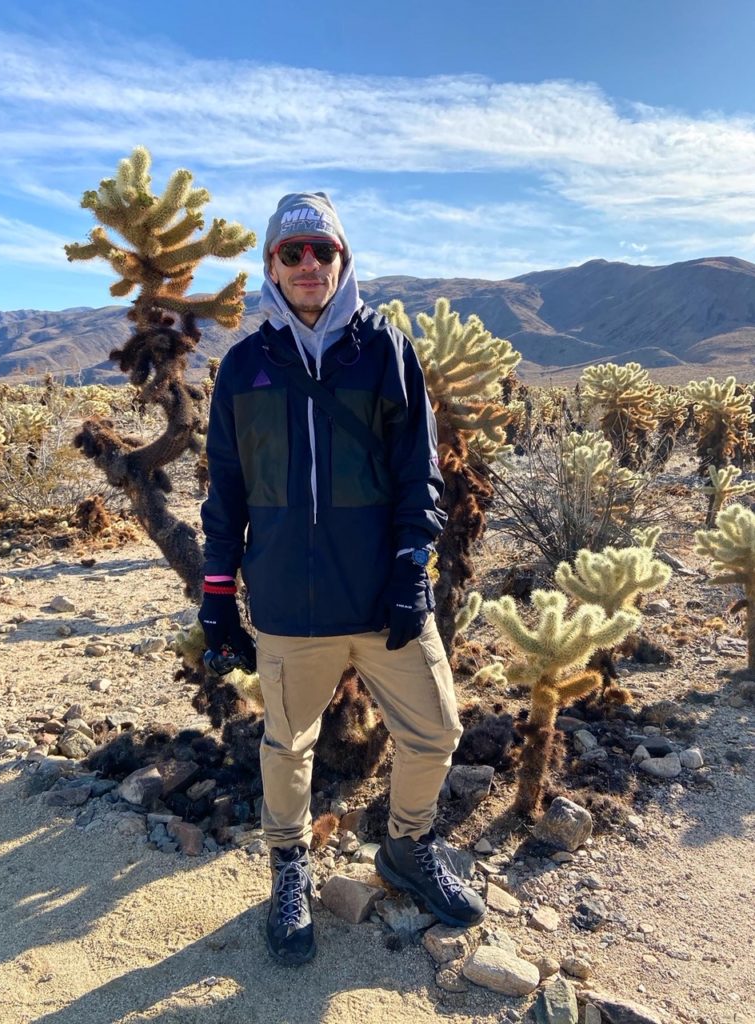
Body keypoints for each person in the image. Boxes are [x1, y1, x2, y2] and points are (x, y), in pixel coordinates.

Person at [199, 192, 485, 966]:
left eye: (320, 251)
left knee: (435, 732)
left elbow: (415, 473)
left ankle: (406, 846)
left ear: (342, 260)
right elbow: (224, 488)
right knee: (286, 743)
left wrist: (409, 567)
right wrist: (217, 592)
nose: (306, 265)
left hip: (380, 597)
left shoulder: (384, 349)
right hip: (289, 602)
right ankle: (290, 867)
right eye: (290, 253)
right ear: (270, 265)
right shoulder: (245, 367)